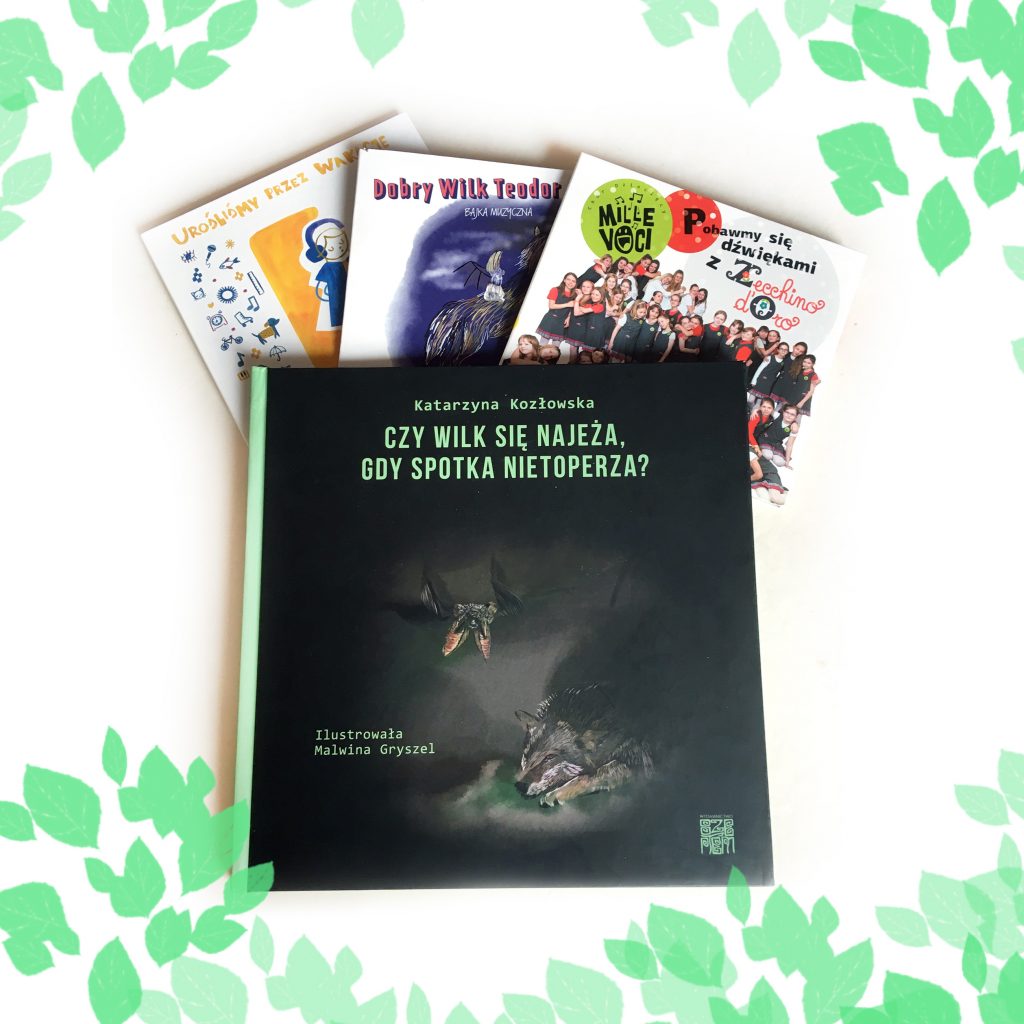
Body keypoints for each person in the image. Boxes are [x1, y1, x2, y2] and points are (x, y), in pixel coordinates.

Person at [304, 217, 349, 329]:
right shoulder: (329, 268)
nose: (339, 248)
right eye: (331, 247)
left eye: (341, 243)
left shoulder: (345, 262)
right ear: (319, 252)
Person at [748, 339, 789, 411]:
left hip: (769, 384)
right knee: (750, 400)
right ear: (778, 350)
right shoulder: (770, 358)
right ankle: (751, 411)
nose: (783, 351)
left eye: (785, 350)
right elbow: (760, 369)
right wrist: (754, 381)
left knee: (759, 403)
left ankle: (753, 413)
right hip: (761, 380)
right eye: (781, 349)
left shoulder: (784, 362)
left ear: (787, 352)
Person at [537, 273, 577, 343]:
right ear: (564, 280)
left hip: (562, 323)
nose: (570, 282)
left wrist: (569, 318)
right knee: (543, 344)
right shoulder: (555, 290)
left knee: (556, 346)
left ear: (575, 283)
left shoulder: (575, 295)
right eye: (568, 279)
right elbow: (551, 306)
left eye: (573, 281)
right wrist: (567, 304)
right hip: (551, 320)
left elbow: (572, 309)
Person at [565, 279, 596, 352]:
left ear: (592, 289)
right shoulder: (580, 296)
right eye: (583, 286)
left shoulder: (592, 300)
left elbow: (578, 312)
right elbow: (572, 309)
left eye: (588, 287)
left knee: (578, 350)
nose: (585, 288)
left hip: (582, 326)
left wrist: (577, 299)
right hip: (573, 324)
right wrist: (568, 318)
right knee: (572, 348)